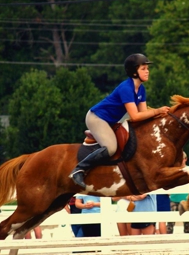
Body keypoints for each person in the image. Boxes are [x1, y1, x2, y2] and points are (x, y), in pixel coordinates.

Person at [69, 53, 170, 189]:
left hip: (109, 121)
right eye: (143, 69)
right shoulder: (126, 88)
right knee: (111, 148)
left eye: (147, 68)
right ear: (134, 72)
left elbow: (143, 114)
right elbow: (135, 116)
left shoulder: (141, 89)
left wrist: (163, 117)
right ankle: (79, 170)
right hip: (96, 118)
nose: (147, 71)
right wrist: (157, 111)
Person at [167, 151, 189, 234]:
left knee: (187, 224)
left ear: (185, 159)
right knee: (170, 224)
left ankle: (188, 241)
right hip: (174, 199)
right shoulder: (173, 170)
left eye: (182, 159)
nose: (180, 161)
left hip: (186, 199)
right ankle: (169, 240)